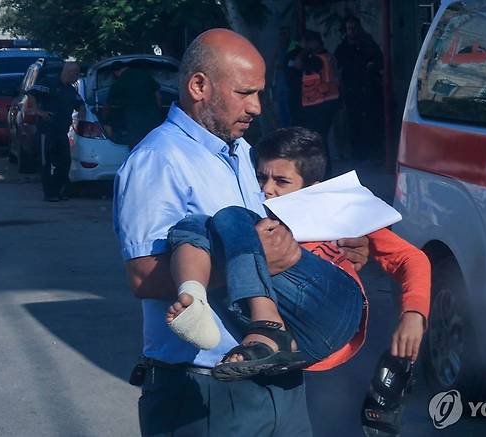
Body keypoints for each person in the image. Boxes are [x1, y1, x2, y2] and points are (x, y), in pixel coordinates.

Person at [113, 29, 369, 437]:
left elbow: (264, 240)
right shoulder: (158, 161)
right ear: (199, 86)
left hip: (276, 368)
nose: (256, 107)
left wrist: (333, 246)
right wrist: (252, 265)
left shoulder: (244, 152)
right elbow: (145, 277)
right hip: (206, 387)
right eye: (245, 93)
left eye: (260, 94)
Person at [165, 126, 431, 381]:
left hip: (334, 308)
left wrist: (413, 315)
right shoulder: (262, 216)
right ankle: (196, 300)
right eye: (261, 178)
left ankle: (265, 323)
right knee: (195, 224)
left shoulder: (335, 208)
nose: (267, 189)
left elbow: (411, 258)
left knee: (231, 216)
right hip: (301, 339)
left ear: (312, 186)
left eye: (281, 181)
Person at [28, 61, 84, 201]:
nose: (76, 76)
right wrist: (38, 111)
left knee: (64, 162)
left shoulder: (71, 90)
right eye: (76, 73)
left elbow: (80, 105)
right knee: (46, 163)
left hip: (61, 131)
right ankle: (50, 194)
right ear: (69, 72)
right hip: (46, 130)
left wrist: (82, 117)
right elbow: (31, 93)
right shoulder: (48, 83)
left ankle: (59, 191)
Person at [334, 15, 384, 161]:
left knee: (372, 123)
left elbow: (379, 62)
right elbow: (339, 68)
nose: (352, 31)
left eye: (354, 28)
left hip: (370, 89)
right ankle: (358, 155)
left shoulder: (368, 44)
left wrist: (371, 66)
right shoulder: (342, 48)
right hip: (352, 91)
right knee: (353, 124)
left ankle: (374, 154)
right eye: (349, 29)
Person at [296, 30, 339, 174]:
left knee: (319, 139)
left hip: (320, 102)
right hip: (328, 100)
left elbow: (299, 64)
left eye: (305, 42)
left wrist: (303, 51)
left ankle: (324, 171)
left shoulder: (318, 59)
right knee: (322, 138)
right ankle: (326, 171)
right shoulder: (327, 56)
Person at [105, 61, 163, 148]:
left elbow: (108, 106)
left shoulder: (118, 83)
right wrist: (159, 112)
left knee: (137, 146)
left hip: (134, 120)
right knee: (155, 143)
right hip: (153, 117)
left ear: (115, 72)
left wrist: (106, 120)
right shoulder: (144, 75)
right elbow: (158, 96)